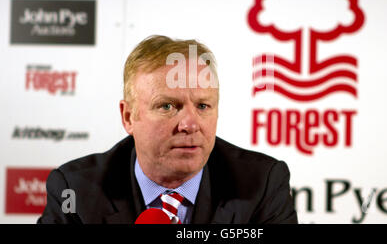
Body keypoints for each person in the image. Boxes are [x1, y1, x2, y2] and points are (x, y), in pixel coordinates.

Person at [37, 35, 298, 224]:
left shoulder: (262, 183)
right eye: (167, 106)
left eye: (203, 106)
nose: (190, 124)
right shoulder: (74, 190)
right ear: (128, 116)